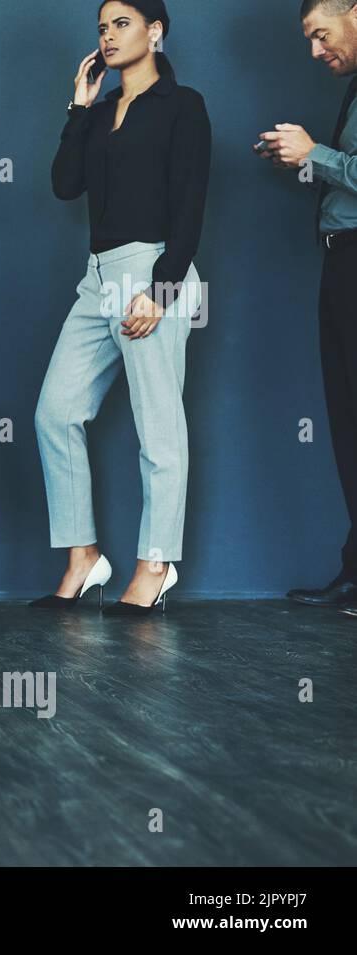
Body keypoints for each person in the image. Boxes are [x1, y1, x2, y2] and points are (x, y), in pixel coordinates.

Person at [32, 0, 210, 615]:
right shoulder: (103, 109)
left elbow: (191, 205)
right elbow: (64, 184)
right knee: (55, 413)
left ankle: (154, 565)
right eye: (102, 28)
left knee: (158, 426)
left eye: (122, 24)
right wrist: (78, 108)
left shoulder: (183, 106)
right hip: (98, 276)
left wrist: (161, 289)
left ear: (155, 31)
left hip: (155, 270)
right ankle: (84, 558)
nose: (108, 36)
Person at [265, 0, 357, 617]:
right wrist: (303, 162)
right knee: (347, 418)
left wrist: (316, 155)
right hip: (341, 262)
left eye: (321, 34)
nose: (315, 51)